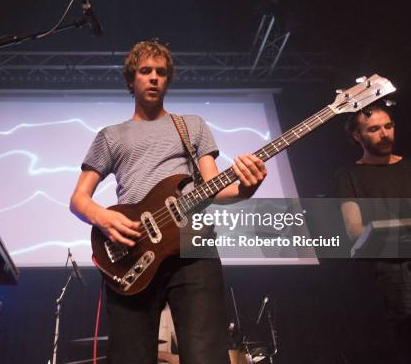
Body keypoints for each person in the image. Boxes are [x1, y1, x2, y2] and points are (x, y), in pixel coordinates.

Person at [70, 40, 267, 364]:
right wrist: (104, 218)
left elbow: (213, 188)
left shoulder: (192, 125)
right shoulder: (111, 135)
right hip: (133, 252)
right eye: (145, 71)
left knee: (206, 356)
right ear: (131, 80)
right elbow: (79, 199)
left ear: (168, 80)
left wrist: (245, 190)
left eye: (160, 72)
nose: (153, 77)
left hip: (193, 247)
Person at [336, 103, 411, 364]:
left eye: (388, 126)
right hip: (393, 277)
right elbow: (354, 231)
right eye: (374, 129)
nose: (385, 134)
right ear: (357, 136)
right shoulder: (349, 175)